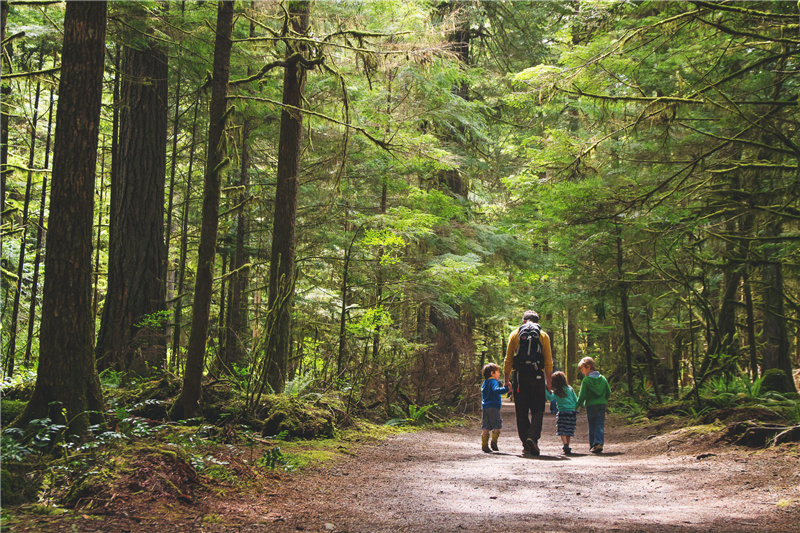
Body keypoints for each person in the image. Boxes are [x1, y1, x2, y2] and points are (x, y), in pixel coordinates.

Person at [503, 310, 553, 456]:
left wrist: (507, 381)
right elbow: (548, 361)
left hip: (520, 378)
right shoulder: (543, 335)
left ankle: (526, 443)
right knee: (538, 410)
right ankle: (533, 438)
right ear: (538, 322)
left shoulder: (515, 334)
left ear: (523, 321)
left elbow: (508, 360)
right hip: (537, 377)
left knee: (521, 411)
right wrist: (548, 382)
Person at [576, 356, 611, 453]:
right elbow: (608, 392)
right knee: (600, 423)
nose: (582, 372)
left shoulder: (586, 380)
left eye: (582, 369)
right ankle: (598, 443)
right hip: (602, 405)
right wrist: (603, 399)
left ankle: (593, 445)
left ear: (588, 367)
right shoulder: (603, 379)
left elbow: (582, 395)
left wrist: (577, 406)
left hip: (591, 405)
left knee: (592, 424)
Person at [545, 371, 578, 455]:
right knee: (569, 429)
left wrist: (545, 389)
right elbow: (575, 399)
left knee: (562, 428)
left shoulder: (556, 391)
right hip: (571, 412)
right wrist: (576, 408)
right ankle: (568, 444)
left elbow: (550, 398)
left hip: (562, 412)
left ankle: (565, 444)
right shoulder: (570, 388)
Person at [481, 363, 509, 453]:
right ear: (492, 373)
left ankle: (484, 445)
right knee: (497, 425)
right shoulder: (493, 382)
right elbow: (496, 390)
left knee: (486, 426)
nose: (499, 374)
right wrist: (506, 389)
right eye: (498, 372)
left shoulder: (485, 382)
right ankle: (494, 443)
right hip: (493, 406)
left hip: (485, 407)